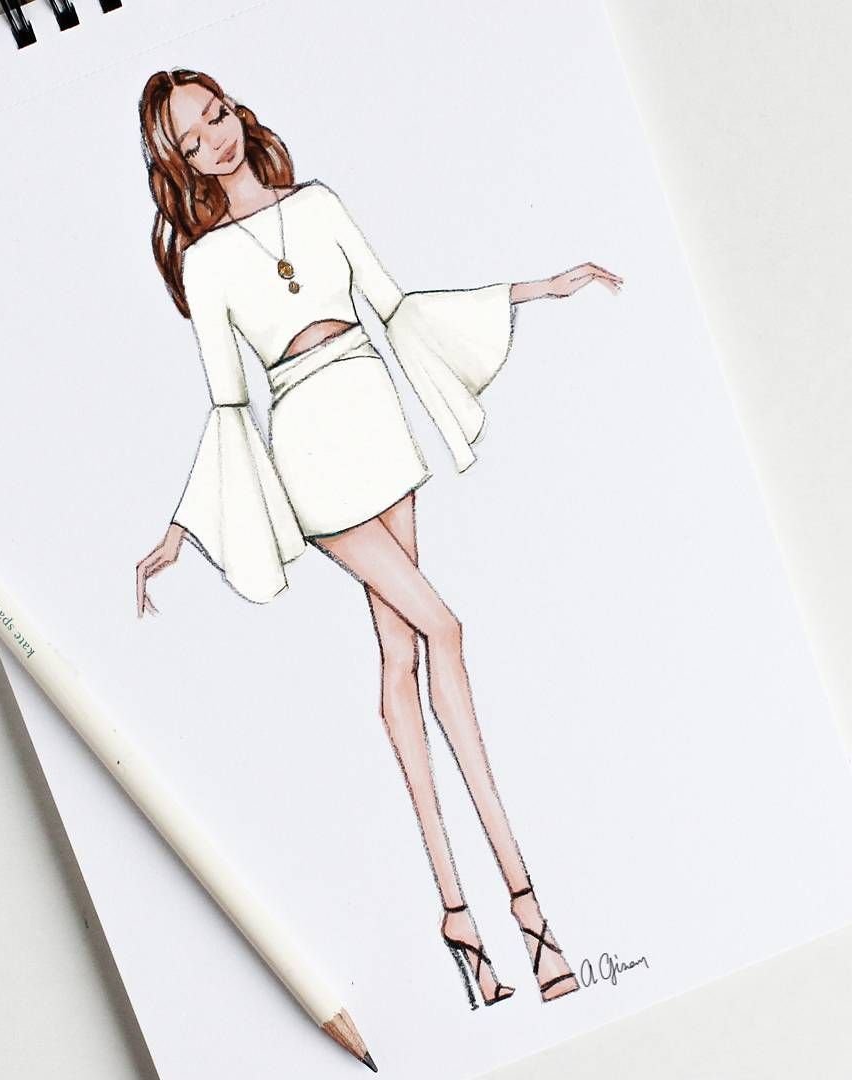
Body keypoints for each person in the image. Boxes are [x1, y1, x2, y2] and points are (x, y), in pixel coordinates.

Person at [135, 67, 622, 1010]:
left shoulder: (319, 205)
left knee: (400, 650)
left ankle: (460, 920)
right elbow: (228, 405)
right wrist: (183, 527)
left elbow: (398, 310)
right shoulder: (206, 262)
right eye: (192, 141)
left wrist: (538, 289)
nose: (215, 140)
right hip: (309, 445)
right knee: (445, 628)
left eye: (216, 116)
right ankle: (523, 903)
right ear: (180, 164)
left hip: (376, 413)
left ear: (236, 110)